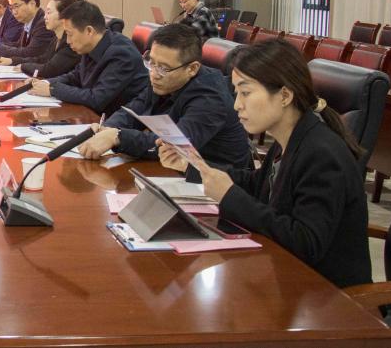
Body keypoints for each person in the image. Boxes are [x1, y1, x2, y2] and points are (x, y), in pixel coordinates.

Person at [158, 40, 370, 288]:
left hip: (328, 296)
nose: (237, 104)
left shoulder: (322, 154)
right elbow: (257, 184)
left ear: (284, 95)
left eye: (245, 93)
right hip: (287, 280)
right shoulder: (290, 139)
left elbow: (306, 242)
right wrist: (191, 167)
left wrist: (229, 196)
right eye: (236, 93)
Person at [75, 24, 250, 173]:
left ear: (192, 68)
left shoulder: (210, 99)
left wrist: (118, 136)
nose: (154, 74)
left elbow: (174, 145)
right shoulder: (163, 77)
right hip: (173, 170)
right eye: (151, 62)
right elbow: (134, 110)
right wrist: (108, 128)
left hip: (214, 181)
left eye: (164, 68)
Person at [33, 0, 147, 116]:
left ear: (89, 31)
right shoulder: (91, 45)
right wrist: (45, 83)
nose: (67, 41)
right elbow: (76, 76)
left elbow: (97, 99)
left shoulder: (121, 54)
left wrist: (53, 89)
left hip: (120, 122)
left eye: (70, 34)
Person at [9, 0, 80, 79]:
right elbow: (42, 59)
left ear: (63, 15)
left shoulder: (71, 42)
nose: (45, 17)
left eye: (49, 13)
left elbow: (49, 70)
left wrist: (24, 67)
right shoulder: (56, 38)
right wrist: (14, 61)